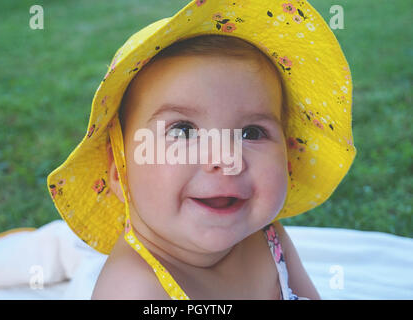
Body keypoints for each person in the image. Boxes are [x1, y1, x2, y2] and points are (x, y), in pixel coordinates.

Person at [47, 0, 356, 300]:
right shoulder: (134, 289)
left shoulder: (268, 238)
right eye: (183, 131)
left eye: (252, 132)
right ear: (120, 172)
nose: (225, 158)